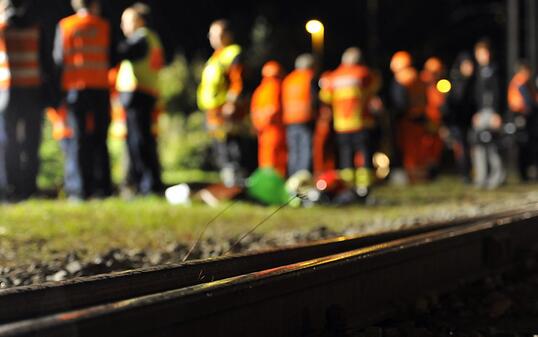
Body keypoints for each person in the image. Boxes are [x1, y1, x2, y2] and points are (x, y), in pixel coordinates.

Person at [53, 0, 111, 199]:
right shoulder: (103, 26)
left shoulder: (65, 26)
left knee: (78, 140)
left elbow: (58, 60)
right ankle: (103, 187)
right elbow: (111, 57)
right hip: (100, 88)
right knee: (100, 138)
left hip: (74, 90)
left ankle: (79, 190)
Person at [116, 3, 164, 195]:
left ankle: (147, 185)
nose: (123, 26)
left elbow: (122, 52)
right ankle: (149, 183)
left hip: (138, 93)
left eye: (125, 21)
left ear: (139, 20)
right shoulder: (153, 38)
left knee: (139, 142)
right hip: (146, 93)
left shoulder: (142, 37)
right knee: (144, 141)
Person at [320, 47, 380, 197]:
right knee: (364, 154)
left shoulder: (334, 76)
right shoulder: (363, 73)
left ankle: (347, 187)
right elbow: (375, 86)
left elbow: (325, 96)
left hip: (341, 124)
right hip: (361, 122)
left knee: (346, 156)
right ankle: (364, 187)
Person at [0, 0, 44, 200]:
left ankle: (12, 186)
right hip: (32, 91)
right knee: (31, 141)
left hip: (7, 92)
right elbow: (46, 62)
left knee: (9, 141)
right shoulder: (36, 28)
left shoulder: (2, 28)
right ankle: (30, 185)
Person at [197, 19, 246, 187]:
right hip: (212, 111)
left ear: (228, 35)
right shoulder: (215, 57)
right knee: (220, 147)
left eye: (217, 34)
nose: (213, 38)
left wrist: (231, 104)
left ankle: (236, 182)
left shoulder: (233, 53)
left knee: (231, 145)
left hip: (225, 110)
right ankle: (228, 182)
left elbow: (237, 81)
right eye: (211, 34)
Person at [389, 50, 429, 182]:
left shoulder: (402, 78)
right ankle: (421, 176)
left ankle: (412, 177)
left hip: (408, 120)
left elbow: (400, 102)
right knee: (419, 149)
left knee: (410, 150)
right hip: (420, 118)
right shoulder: (416, 76)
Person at [471, 39, 505, 189]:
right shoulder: (477, 72)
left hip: (492, 112)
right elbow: (475, 95)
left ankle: (497, 177)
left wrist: (497, 113)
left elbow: (498, 93)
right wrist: (476, 112)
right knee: (478, 143)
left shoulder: (496, 70)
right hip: (480, 113)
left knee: (492, 144)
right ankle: (481, 177)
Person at [442, 52, 476, 183]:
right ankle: (464, 175)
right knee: (461, 148)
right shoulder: (456, 81)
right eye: (466, 65)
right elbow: (450, 104)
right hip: (458, 122)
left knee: (470, 148)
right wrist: (447, 123)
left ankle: (471, 173)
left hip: (469, 121)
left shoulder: (473, 81)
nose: (469, 68)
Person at [250, 60, 287, 177]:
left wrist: (258, 125)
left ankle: (266, 183)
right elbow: (274, 108)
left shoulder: (260, 89)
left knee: (265, 157)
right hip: (274, 129)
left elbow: (254, 110)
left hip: (262, 130)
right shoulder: (276, 86)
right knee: (277, 158)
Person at [282, 53, 316, 176]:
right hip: (305, 119)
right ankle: (303, 180)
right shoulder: (309, 77)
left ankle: (293, 179)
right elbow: (314, 99)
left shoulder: (288, 80)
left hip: (290, 119)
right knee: (305, 150)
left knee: (293, 152)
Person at [508, 61, 538, 181]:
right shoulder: (520, 82)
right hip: (521, 116)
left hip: (523, 116)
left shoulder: (523, 83)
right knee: (523, 146)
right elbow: (529, 103)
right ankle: (523, 174)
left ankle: (525, 173)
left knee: (526, 145)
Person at [420, 57, 445, 176]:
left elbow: (441, 103)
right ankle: (426, 171)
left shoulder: (440, 85)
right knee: (426, 145)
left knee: (436, 146)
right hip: (426, 120)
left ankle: (433, 170)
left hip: (437, 120)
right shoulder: (422, 84)